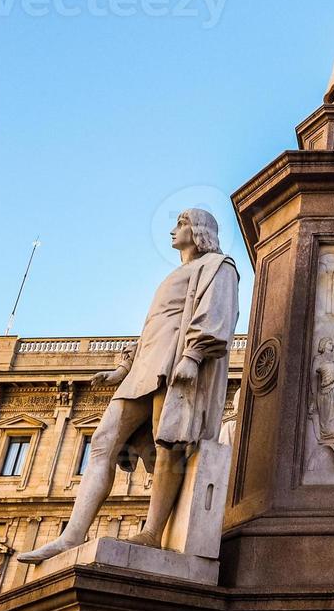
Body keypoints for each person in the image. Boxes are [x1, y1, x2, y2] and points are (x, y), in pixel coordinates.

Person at [17, 208, 239, 563]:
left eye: (180, 224)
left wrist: (193, 356)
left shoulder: (218, 267)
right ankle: (71, 537)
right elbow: (152, 327)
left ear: (198, 231)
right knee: (103, 442)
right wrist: (122, 369)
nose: (173, 230)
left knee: (169, 446)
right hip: (145, 368)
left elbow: (217, 314)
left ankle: (152, 532)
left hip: (175, 364)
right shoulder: (176, 274)